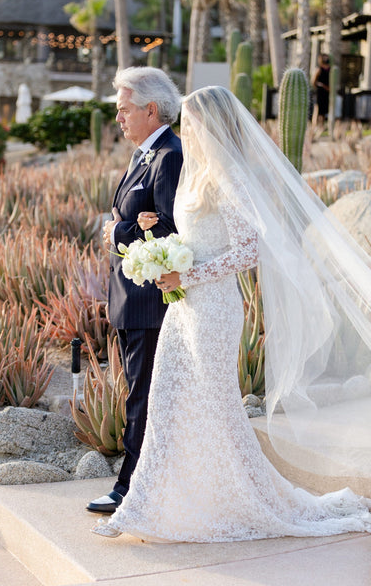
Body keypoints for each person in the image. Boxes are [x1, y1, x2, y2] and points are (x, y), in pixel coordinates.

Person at [92, 85, 371, 542]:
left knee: (214, 408)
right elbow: (190, 237)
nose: (185, 127)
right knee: (168, 402)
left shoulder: (229, 177)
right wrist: (161, 250)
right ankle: (148, 503)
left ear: (213, 122)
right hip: (184, 309)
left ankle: (239, 501)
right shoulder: (193, 174)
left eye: (192, 119)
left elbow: (247, 251)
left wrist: (189, 275)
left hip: (215, 308)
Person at [86, 67, 183, 514]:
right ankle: (142, 482)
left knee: (142, 394)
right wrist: (127, 228)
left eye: (124, 110)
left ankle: (130, 489)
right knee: (137, 391)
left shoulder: (169, 155)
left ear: (150, 109)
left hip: (149, 303)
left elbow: (168, 228)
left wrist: (117, 232)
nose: (119, 118)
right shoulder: (142, 155)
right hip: (130, 298)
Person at [312, 53, 330, 134]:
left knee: (324, 110)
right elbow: (314, 81)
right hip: (320, 91)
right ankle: (316, 125)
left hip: (327, 92)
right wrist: (321, 86)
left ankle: (322, 125)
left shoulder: (330, 69)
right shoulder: (319, 69)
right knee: (318, 108)